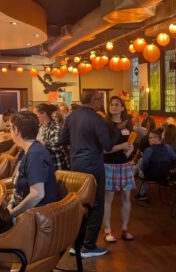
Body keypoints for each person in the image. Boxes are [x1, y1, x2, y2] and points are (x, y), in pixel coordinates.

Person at [0, 111, 58, 237]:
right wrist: (10, 204)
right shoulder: (29, 150)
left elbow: (37, 194)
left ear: (16, 130)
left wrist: (13, 212)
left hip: (31, 218)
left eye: (10, 128)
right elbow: (19, 190)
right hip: (22, 212)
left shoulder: (35, 155)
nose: (9, 131)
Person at [59, 92, 117, 258]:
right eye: (100, 100)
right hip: (93, 165)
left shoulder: (71, 117)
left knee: (80, 205)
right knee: (96, 204)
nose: (101, 103)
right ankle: (88, 246)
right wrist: (115, 133)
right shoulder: (97, 119)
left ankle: (76, 244)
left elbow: (62, 140)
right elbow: (107, 146)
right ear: (94, 100)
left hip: (76, 165)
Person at [102, 96, 136, 242]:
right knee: (108, 198)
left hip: (125, 164)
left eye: (117, 104)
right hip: (109, 164)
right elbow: (103, 149)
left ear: (123, 107)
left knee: (126, 197)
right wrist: (121, 147)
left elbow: (130, 142)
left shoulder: (128, 125)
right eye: (112, 104)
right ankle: (107, 231)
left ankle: (125, 229)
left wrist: (130, 149)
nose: (114, 107)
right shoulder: (105, 125)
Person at [135, 129, 176, 200]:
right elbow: (175, 158)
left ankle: (142, 194)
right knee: (141, 162)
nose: (148, 139)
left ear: (157, 138)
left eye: (150, 138)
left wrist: (144, 171)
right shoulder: (167, 147)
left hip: (150, 175)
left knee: (140, 164)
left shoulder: (148, 150)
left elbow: (144, 165)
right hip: (165, 175)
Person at [35, 103, 70, 170]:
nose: (35, 117)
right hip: (46, 166)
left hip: (57, 167)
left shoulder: (55, 127)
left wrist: (40, 143)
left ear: (44, 114)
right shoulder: (40, 127)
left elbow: (56, 146)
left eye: (37, 115)